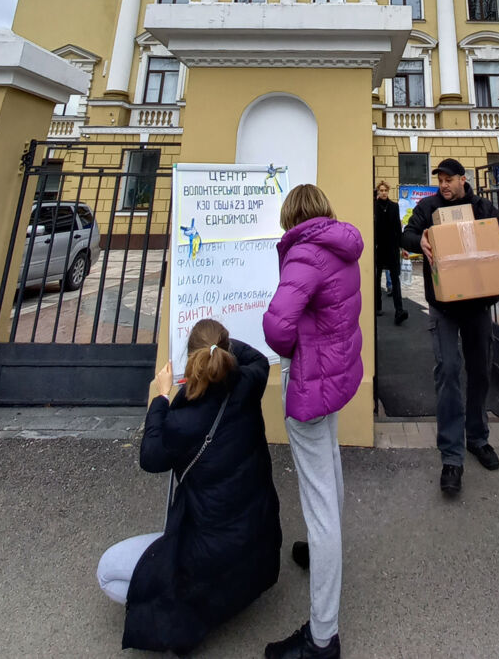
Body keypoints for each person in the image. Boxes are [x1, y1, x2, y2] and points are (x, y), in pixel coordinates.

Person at [96, 318, 281, 656]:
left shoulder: (180, 421)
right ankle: (223, 597)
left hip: (208, 554)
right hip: (258, 550)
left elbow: (150, 457)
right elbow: (255, 356)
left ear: (191, 360)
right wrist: (219, 343)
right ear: (225, 355)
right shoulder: (248, 384)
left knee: (107, 571)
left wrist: (161, 397)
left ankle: (188, 612)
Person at [262, 183, 363, 659]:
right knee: (332, 473)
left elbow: (277, 326)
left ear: (291, 216)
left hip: (308, 383)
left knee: (318, 498)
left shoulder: (304, 253)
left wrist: (291, 350)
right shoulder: (341, 246)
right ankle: (325, 551)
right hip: (335, 378)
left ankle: (322, 637)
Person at [401, 157, 499, 497]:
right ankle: (451, 454)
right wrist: (417, 242)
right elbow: (406, 233)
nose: (444, 185)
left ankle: (478, 437)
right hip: (444, 307)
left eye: (450, 179)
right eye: (440, 179)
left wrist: (497, 265)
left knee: (480, 370)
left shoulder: (483, 208)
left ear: (463, 179)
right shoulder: (428, 207)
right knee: (449, 371)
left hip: (478, 305)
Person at [374, 180, 408, 325]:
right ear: (378, 192)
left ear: (388, 191)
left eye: (385, 190)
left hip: (392, 247)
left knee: (395, 279)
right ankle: (377, 306)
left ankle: (399, 310)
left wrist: (403, 247)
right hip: (378, 247)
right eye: (381, 190)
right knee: (376, 279)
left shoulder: (394, 206)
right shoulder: (373, 206)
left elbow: (397, 228)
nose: (383, 193)